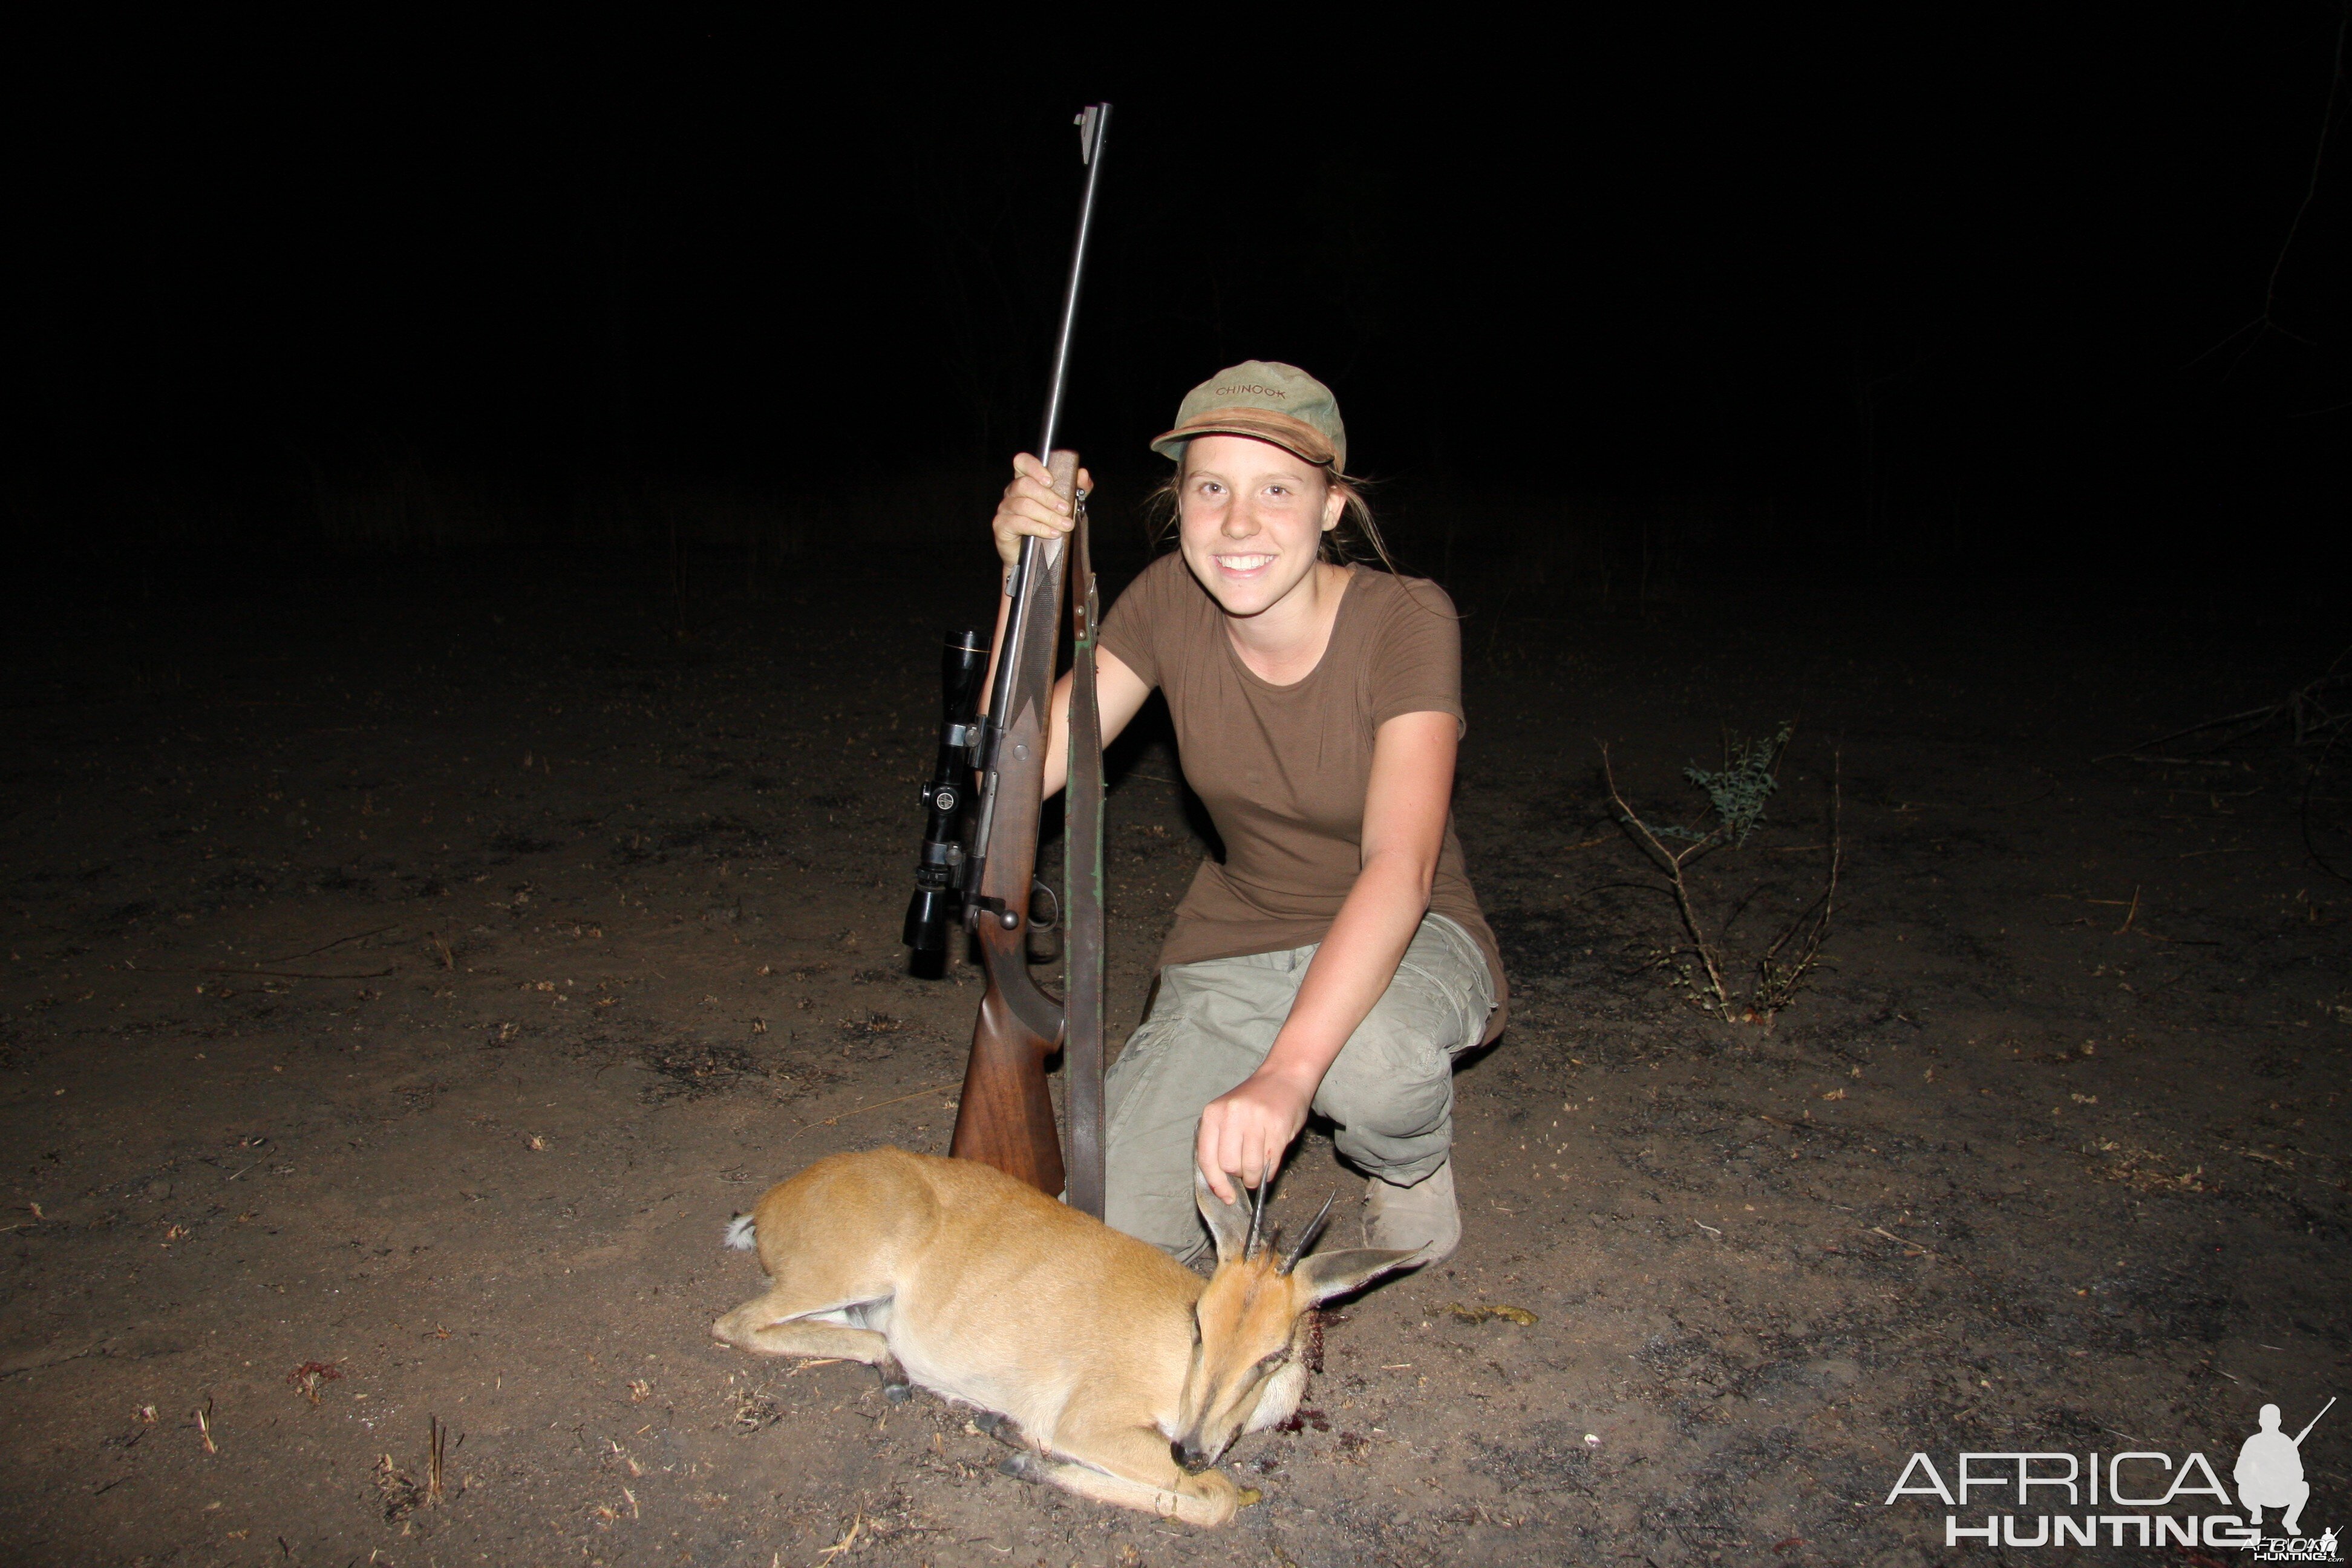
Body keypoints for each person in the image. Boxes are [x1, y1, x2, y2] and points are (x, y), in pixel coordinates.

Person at [987, 361, 1506, 1265]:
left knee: (1368, 1068)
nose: (1238, 523)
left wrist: (1286, 1075)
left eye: (1277, 489)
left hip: (1410, 932)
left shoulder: (1407, 618)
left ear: (1332, 505)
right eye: (1212, 488)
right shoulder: (1163, 605)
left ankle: (1410, 1164)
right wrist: (1021, 582)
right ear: (1178, 500)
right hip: (1236, 949)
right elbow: (1013, 773)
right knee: (1103, 1240)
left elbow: (1400, 867)